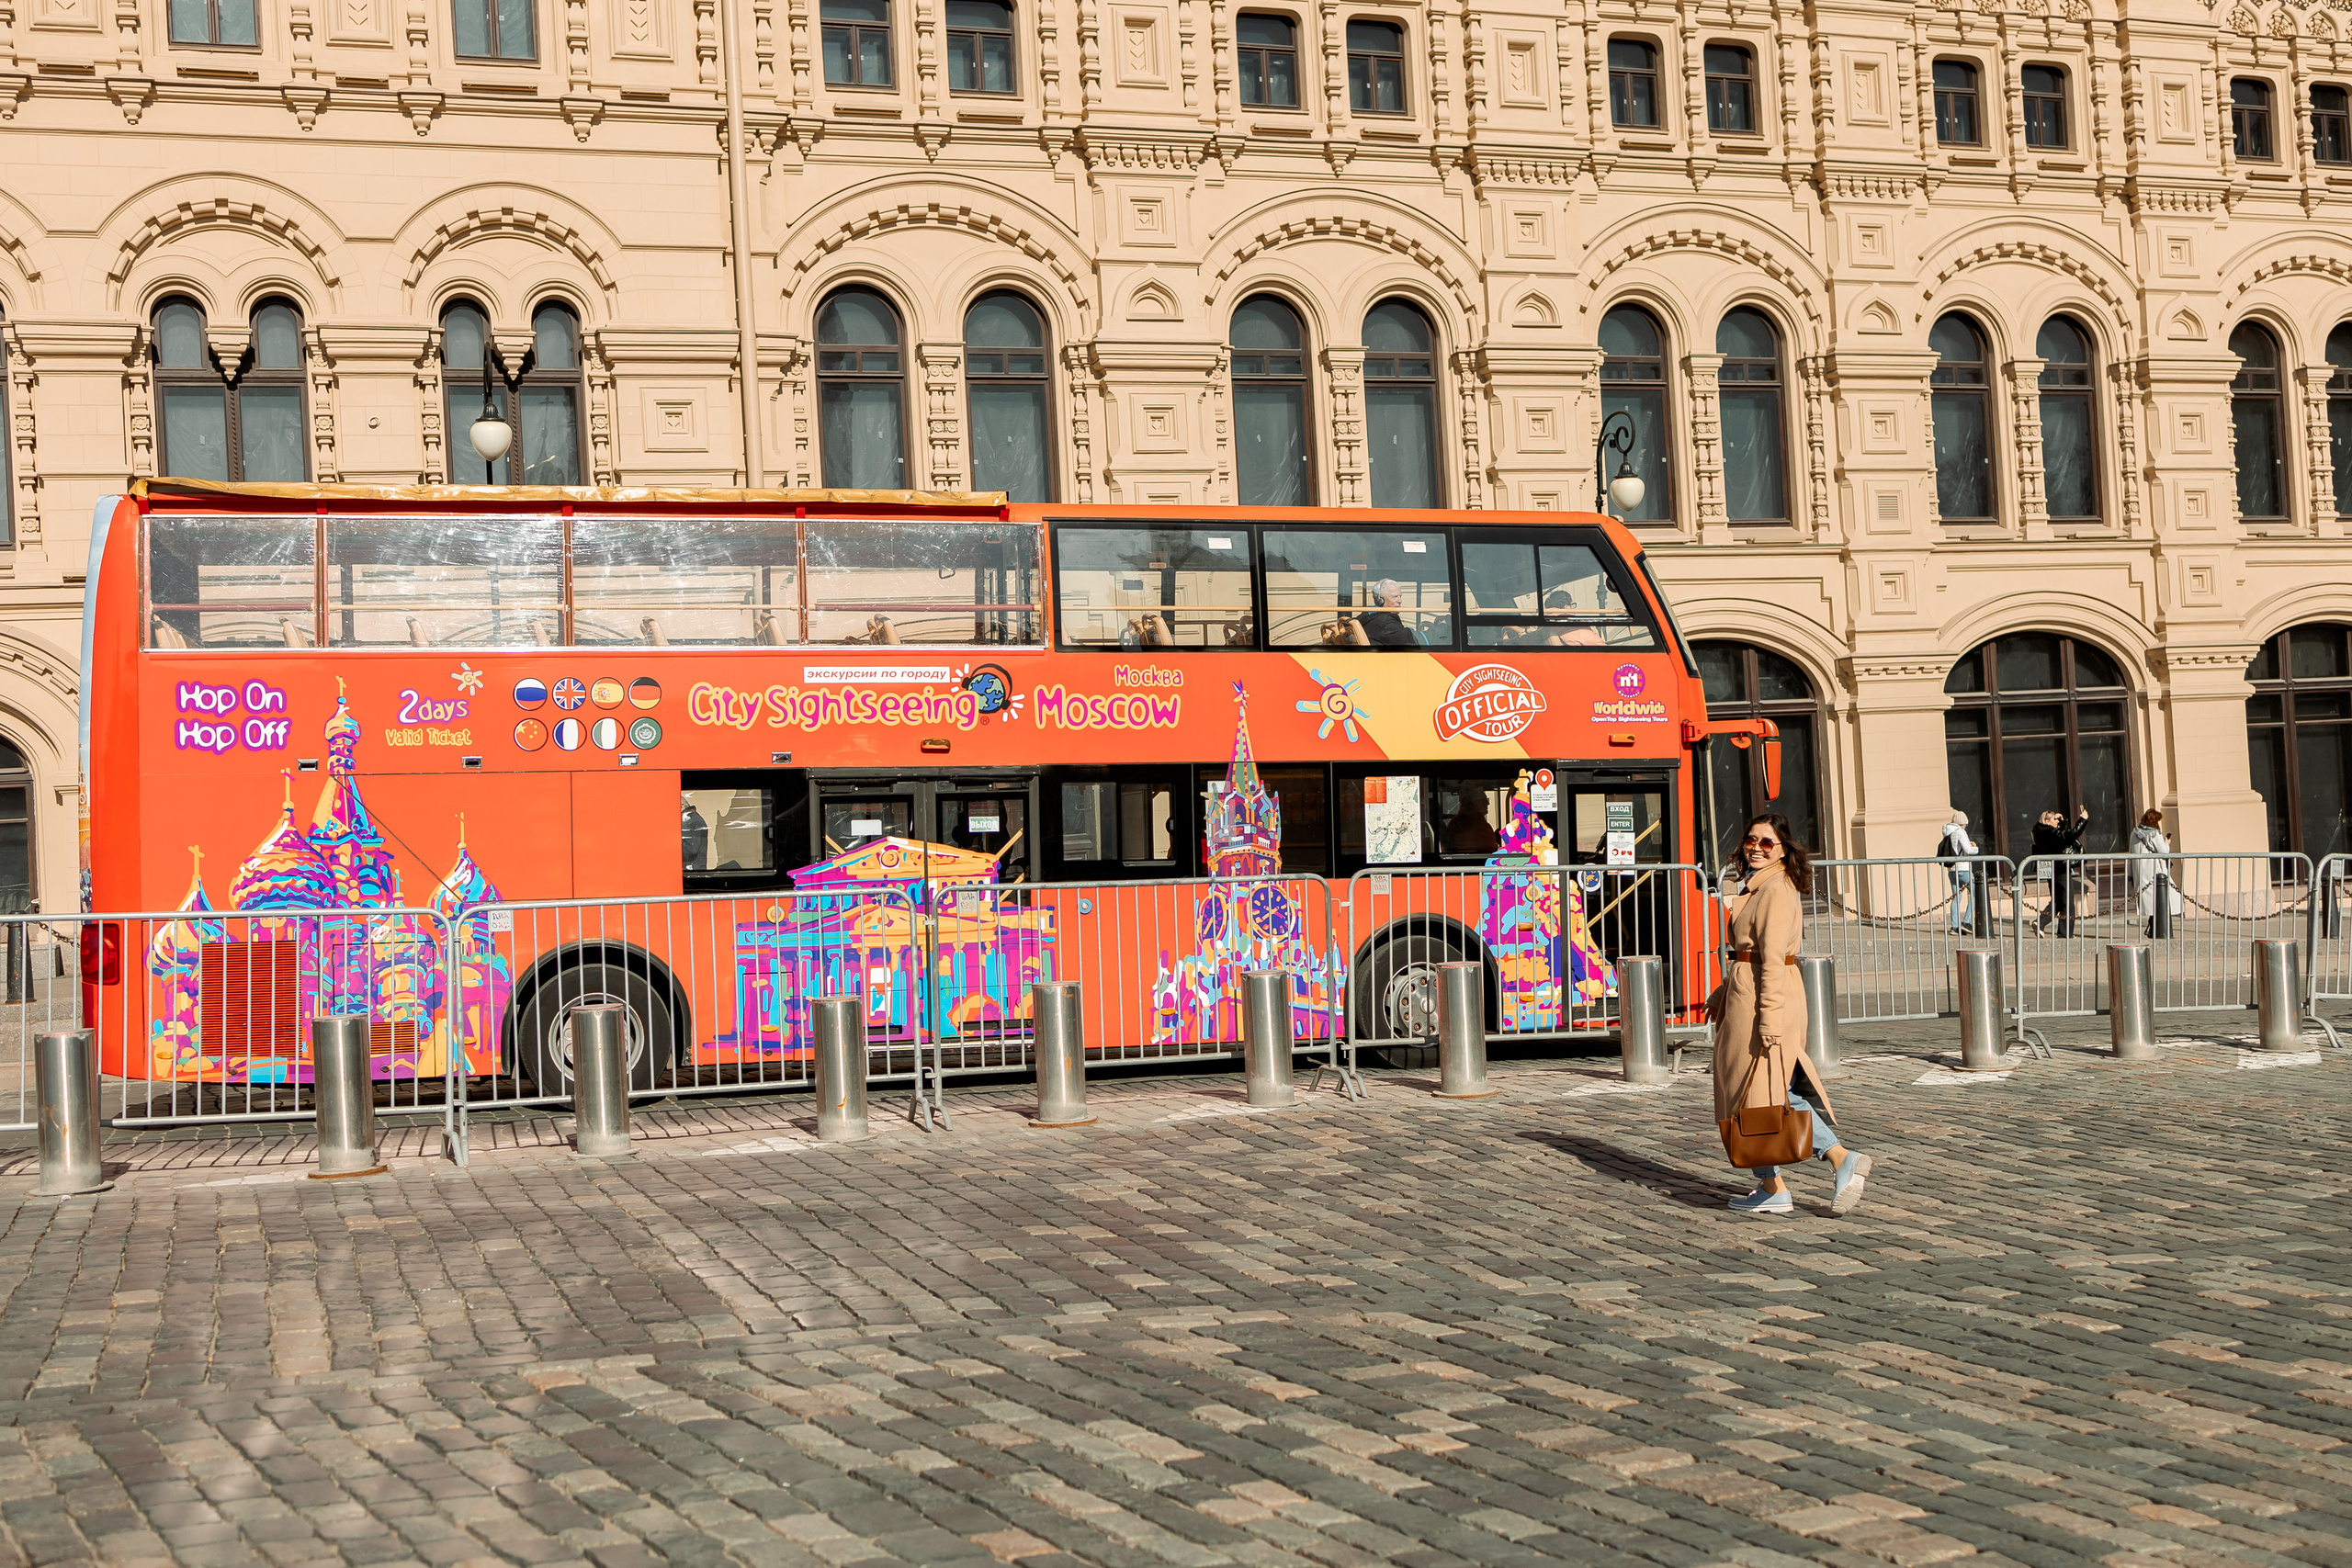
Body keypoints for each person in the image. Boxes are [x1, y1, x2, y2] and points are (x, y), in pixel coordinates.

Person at [1712, 812, 1871, 1217]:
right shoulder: (1756, 885)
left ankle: (1838, 1157)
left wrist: (1767, 1019)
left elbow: (1771, 959)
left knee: (1759, 1095)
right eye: (1751, 840)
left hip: (1766, 1002)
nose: (1756, 848)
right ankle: (1772, 1185)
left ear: (1783, 849)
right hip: (1749, 994)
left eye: (1767, 842)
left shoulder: (1776, 889)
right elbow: (1751, 957)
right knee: (1752, 1095)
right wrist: (1724, 990)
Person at [2031, 806, 2090, 936]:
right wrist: (2083, 820)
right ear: (2047, 821)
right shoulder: (2051, 833)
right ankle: (2065, 933)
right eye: (2055, 819)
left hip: (2051, 870)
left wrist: (2062, 821)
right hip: (2060, 869)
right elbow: (2069, 835)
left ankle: (2040, 922)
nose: (2057, 822)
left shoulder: (2040, 831)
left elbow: (2060, 837)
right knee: (2068, 903)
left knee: (2058, 900)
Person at [2132, 807, 2180, 937]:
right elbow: (2164, 851)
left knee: (2153, 904)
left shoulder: (2134, 833)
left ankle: (2152, 927)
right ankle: (2156, 929)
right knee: (2161, 902)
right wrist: (2167, 842)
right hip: (2156, 873)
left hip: (2141, 874)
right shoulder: (2154, 834)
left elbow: (2131, 853)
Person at [1347, 580, 1419, 648]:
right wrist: (1430, 634)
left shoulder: (1369, 615)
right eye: (1395, 597)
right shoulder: (1386, 622)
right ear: (1381, 599)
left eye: (1400, 596)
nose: (1400, 601)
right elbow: (1413, 640)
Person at [1941, 809, 1978, 934]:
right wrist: (1975, 847)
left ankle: (1954, 927)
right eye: (1966, 824)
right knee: (1975, 893)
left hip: (1952, 869)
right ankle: (1966, 922)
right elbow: (1968, 850)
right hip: (1963, 868)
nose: (1966, 826)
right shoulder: (1960, 832)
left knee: (1956, 897)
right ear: (1963, 823)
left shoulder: (1947, 832)